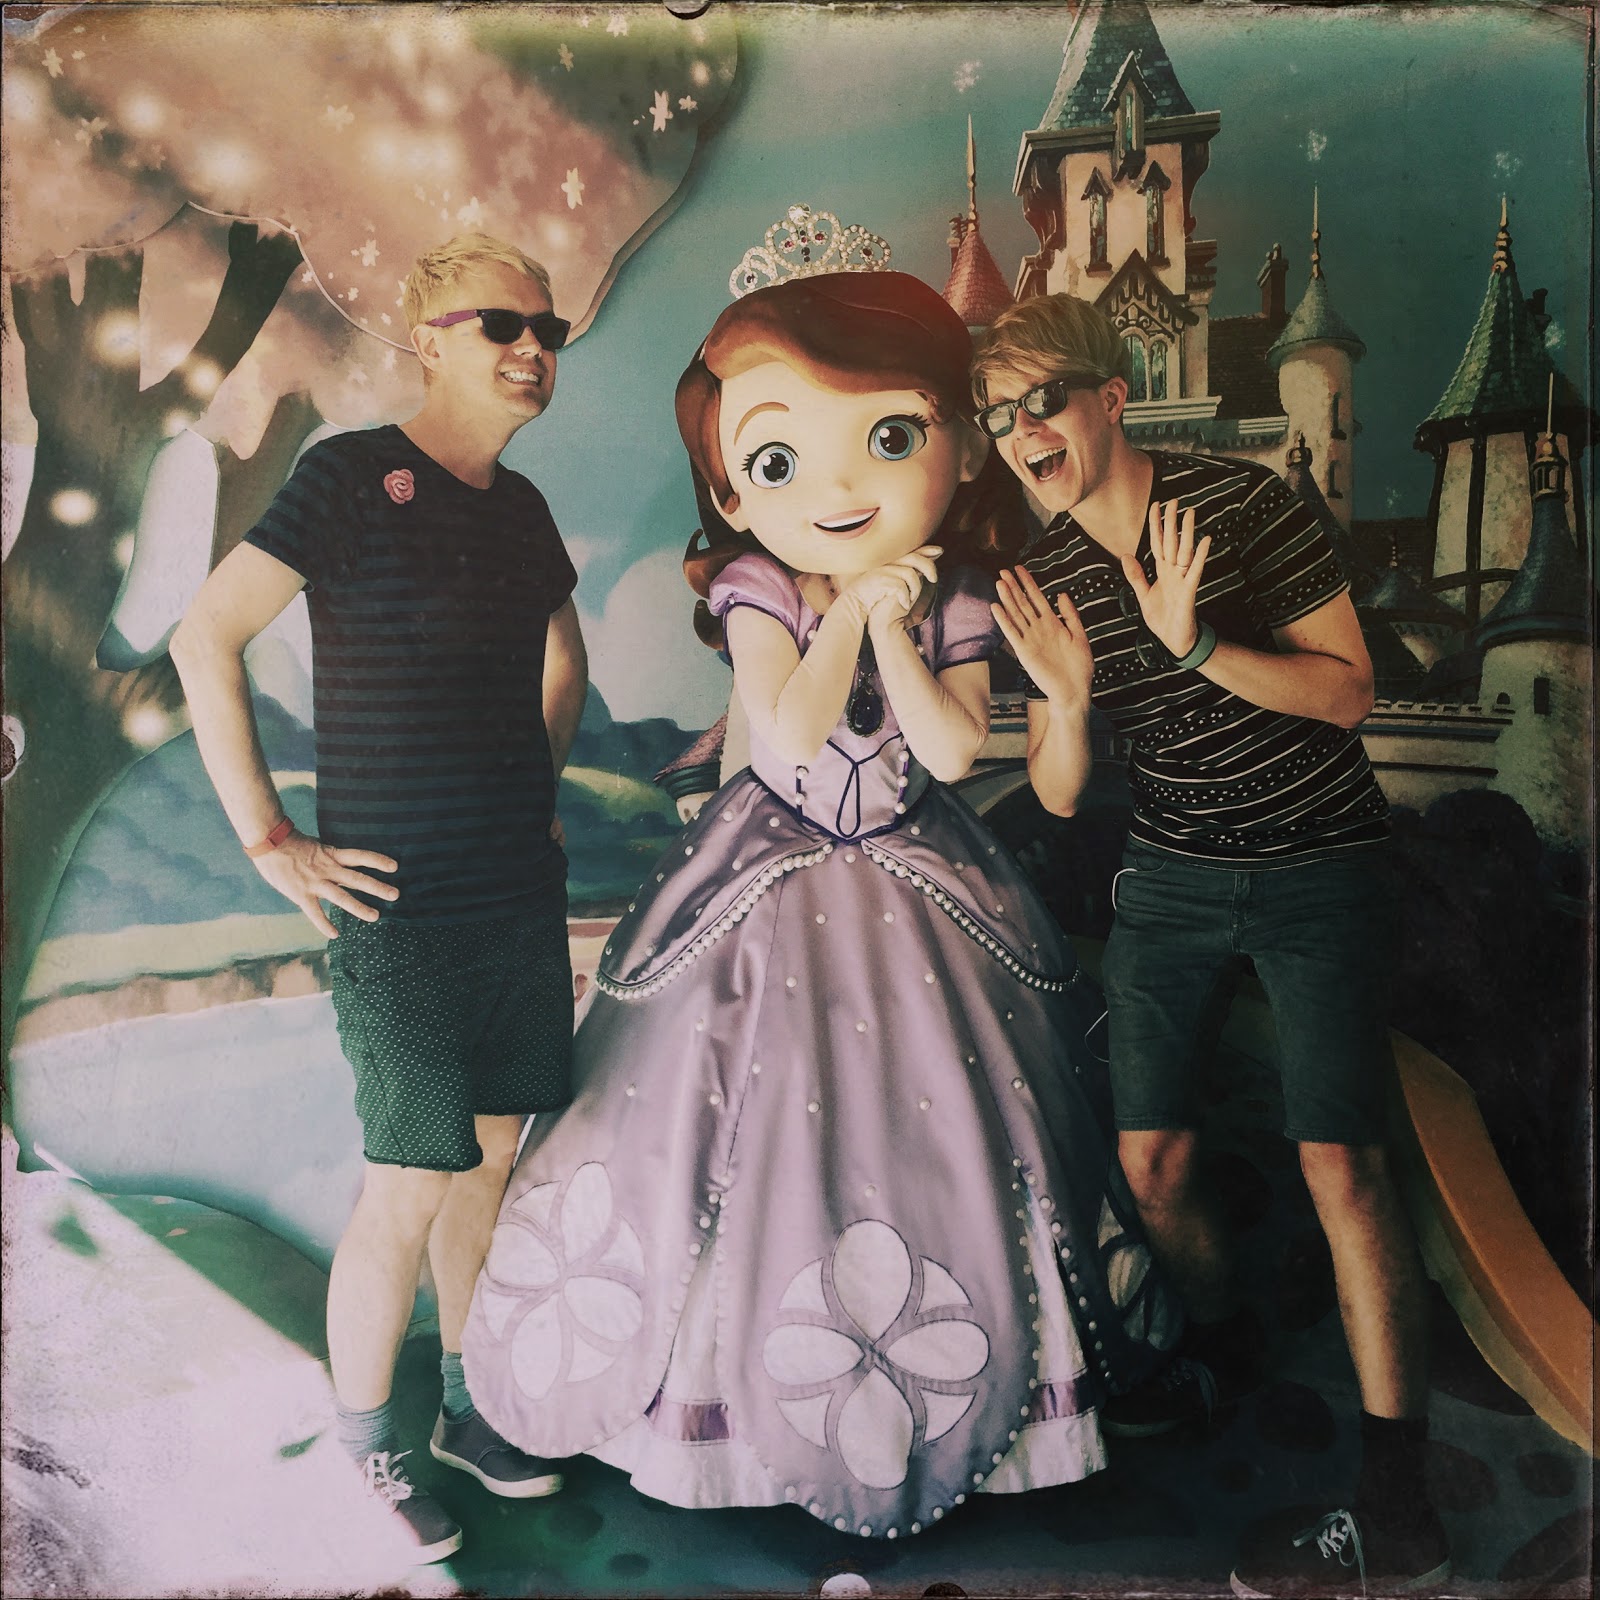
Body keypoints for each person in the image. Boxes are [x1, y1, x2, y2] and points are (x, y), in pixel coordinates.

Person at [457, 210, 1180, 1540]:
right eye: (779, 457)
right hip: (765, 870)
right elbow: (788, 736)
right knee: (703, 1126)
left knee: (959, 1124)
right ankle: (713, 1418)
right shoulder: (756, 587)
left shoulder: (963, 592)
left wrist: (898, 616)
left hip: (922, 873)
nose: (836, 487)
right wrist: (850, 604)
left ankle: (989, 1407)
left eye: (891, 436)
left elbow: (949, 751)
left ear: (956, 448)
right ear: (735, 492)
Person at [973, 293, 1447, 1598]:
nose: (1022, 432)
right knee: (1154, 1161)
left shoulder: (1241, 506)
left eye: (1044, 400)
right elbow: (1058, 790)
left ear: (1111, 397)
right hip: (1176, 877)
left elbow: (1348, 693)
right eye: (998, 416)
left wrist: (1193, 645)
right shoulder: (1047, 576)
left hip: (1319, 866)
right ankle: (1231, 1361)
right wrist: (1070, 700)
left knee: (1343, 1167)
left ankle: (1403, 1508)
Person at [170, 233, 588, 1564]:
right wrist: (270, 841)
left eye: (548, 330)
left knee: (489, 1163)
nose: (532, 349)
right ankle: (366, 1452)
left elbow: (564, 662)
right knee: (410, 1178)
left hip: (514, 896)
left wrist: (527, 783)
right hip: (394, 911)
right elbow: (202, 636)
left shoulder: (524, 513)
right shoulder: (349, 477)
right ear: (428, 340)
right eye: (501, 325)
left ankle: (468, 1408)